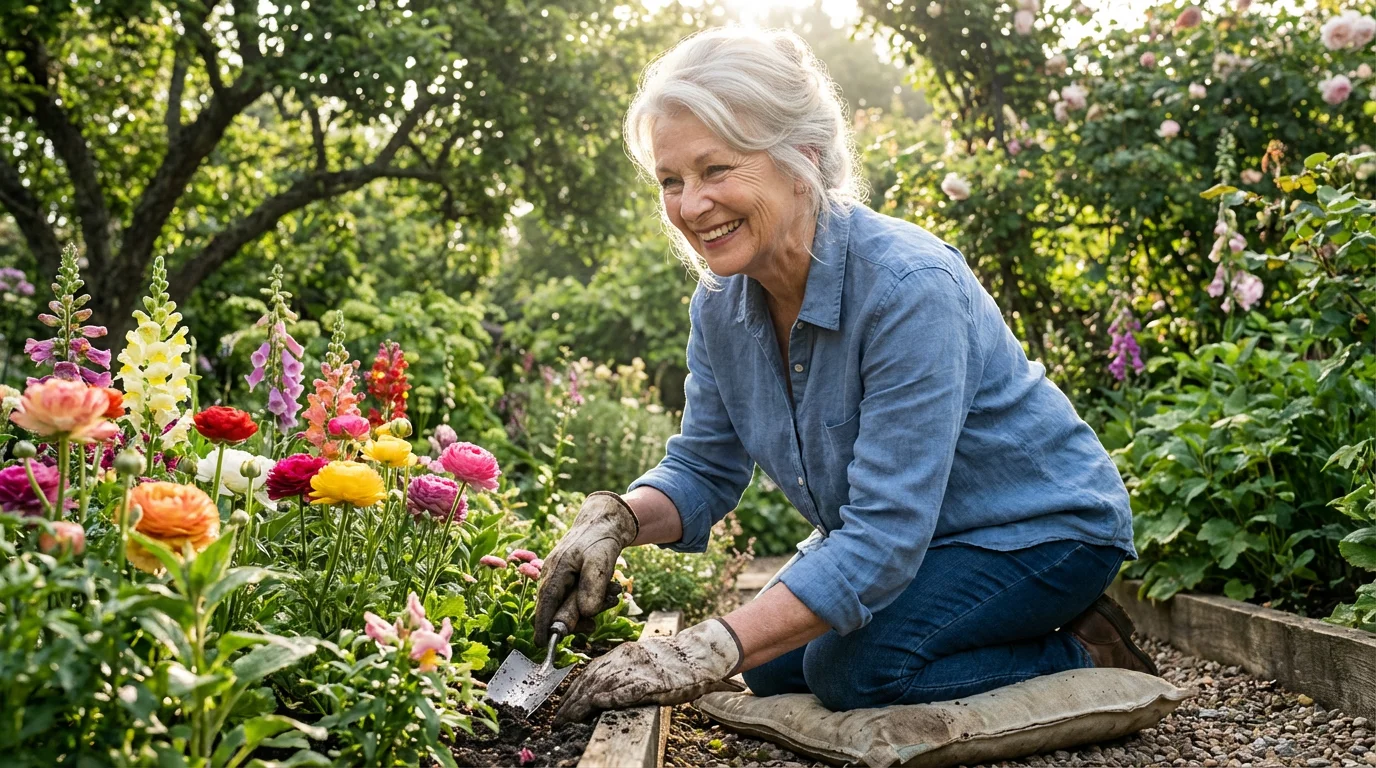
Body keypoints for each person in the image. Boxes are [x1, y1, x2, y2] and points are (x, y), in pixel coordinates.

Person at [538, 26, 1155, 726]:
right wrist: (612, 520)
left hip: (1038, 530)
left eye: (716, 170)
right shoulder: (719, 306)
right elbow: (704, 468)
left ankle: (1085, 652)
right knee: (770, 665)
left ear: (802, 157)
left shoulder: (907, 287)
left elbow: (884, 536)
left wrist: (700, 650)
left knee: (853, 671)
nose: (688, 206)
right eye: (671, 182)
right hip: (920, 539)